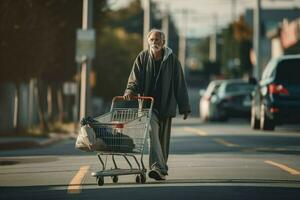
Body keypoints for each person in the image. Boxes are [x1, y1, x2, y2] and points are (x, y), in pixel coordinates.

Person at [123, 29, 191, 180]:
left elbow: (180, 84)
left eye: (157, 40)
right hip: (148, 106)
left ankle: (161, 169)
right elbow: (134, 79)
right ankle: (156, 167)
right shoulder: (142, 57)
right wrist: (129, 91)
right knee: (152, 133)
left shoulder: (172, 60)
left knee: (162, 140)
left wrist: (184, 107)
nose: (154, 42)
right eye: (152, 40)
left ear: (163, 42)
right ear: (148, 41)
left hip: (166, 105)